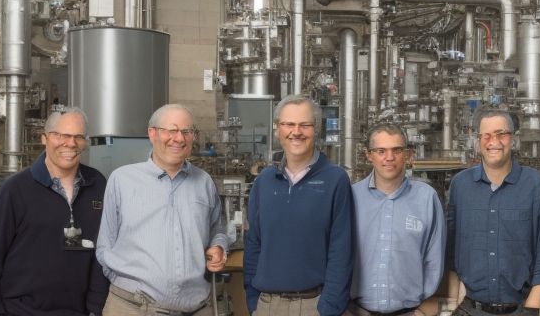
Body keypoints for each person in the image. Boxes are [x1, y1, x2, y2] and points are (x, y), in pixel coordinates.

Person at [96, 103, 231, 315]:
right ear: (152, 133)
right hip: (133, 307)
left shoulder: (204, 181)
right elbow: (105, 246)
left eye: (187, 132)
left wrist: (219, 247)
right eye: (171, 130)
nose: (179, 138)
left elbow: (218, 230)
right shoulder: (122, 180)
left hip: (196, 307)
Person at [0, 108, 108, 316]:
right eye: (60, 135)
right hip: (21, 311)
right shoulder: (15, 189)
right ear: (45, 138)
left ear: (85, 142)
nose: (70, 144)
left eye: (78, 137)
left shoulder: (97, 184)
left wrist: (95, 308)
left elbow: (103, 255)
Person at [244, 94, 353, 316]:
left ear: (316, 129)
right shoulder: (263, 181)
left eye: (305, 125)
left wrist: (328, 309)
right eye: (289, 124)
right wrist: (254, 302)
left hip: (314, 305)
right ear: (277, 129)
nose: (296, 132)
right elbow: (253, 244)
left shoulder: (336, 179)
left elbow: (341, 250)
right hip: (267, 305)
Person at [447, 108, 540, 316]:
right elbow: (451, 251)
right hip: (470, 309)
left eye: (501, 134)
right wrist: (453, 303)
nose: (493, 141)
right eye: (486, 135)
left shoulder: (535, 184)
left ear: (513, 139)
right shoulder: (460, 186)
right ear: (478, 140)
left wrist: (532, 308)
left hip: (520, 309)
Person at [347, 123, 445, 316]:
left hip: (410, 311)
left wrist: (421, 311)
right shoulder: (350, 197)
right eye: (381, 151)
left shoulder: (426, 198)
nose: (389, 158)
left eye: (396, 150)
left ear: (407, 154)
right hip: (356, 311)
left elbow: (434, 259)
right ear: (369, 155)